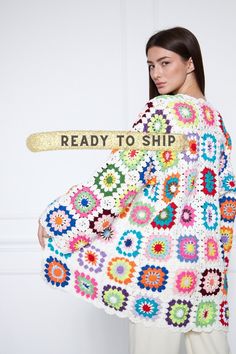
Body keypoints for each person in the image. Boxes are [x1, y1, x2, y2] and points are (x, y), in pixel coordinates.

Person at [37, 27, 236, 354]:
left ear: (189, 63)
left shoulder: (163, 111)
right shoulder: (216, 121)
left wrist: (60, 216)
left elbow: (121, 176)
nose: (156, 73)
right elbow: (227, 201)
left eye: (164, 62)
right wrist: (219, 258)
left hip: (160, 269)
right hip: (206, 271)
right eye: (150, 65)